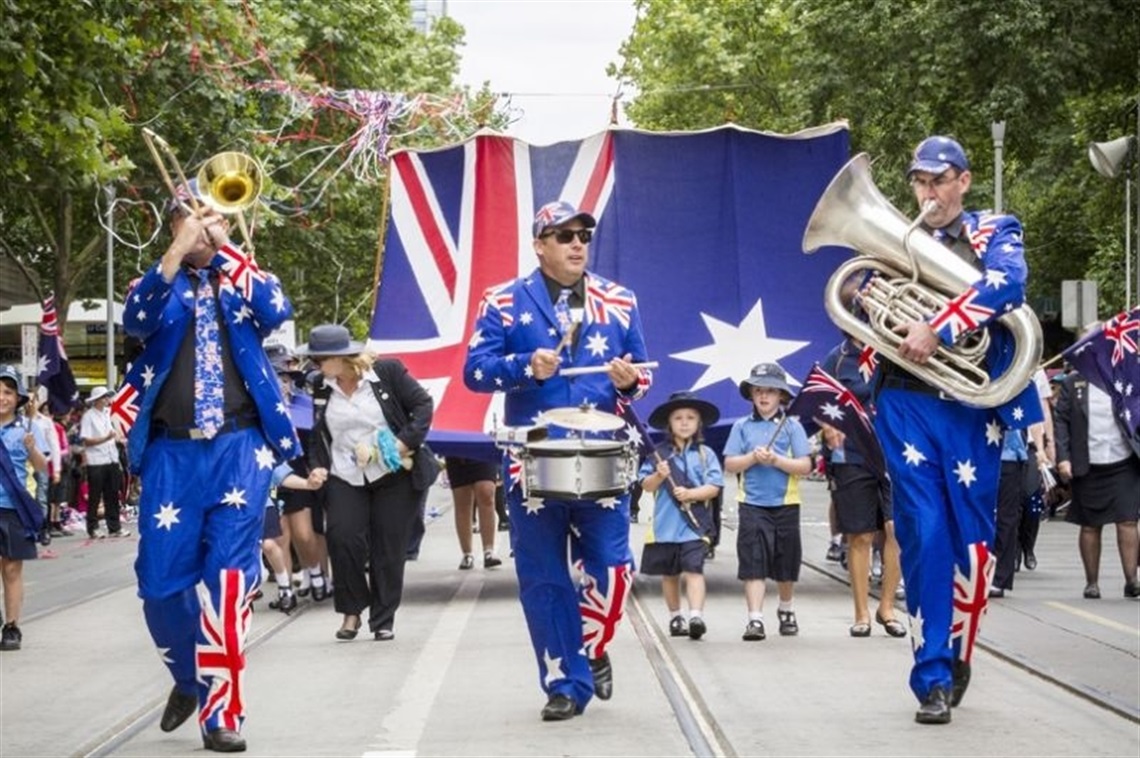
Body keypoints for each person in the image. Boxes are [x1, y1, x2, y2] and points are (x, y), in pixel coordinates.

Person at [120, 180, 299, 753]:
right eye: (191, 215)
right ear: (173, 222)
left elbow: (278, 309)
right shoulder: (155, 284)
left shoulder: (243, 281)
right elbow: (136, 322)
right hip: (172, 455)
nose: (202, 223)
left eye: (211, 213)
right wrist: (176, 252)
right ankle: (188, 680)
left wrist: (226, 246)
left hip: (239, 449)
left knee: (227, 586)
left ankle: (223, 713)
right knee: (159, 587)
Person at [870, 135, 1041, 724]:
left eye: (939, 181)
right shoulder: (902, 238)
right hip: (905, 401)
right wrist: (870, 299)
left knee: (972, 544)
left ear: (964, 181)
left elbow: (1008, 285)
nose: (927, 193)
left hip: (971, 405)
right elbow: (856, 291)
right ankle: (932, 673)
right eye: (919, 182)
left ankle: (959, 648)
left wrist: (938, 328)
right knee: (924, 533)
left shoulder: (994, 229)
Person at [464, 200, 653, 722]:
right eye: (564, 235)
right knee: (544, 576)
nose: (576, 244)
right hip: (532, 457)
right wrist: (526, 366)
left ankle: (590, 646)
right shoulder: (502, 300)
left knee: (613, 572)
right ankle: (563, 682)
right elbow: (475, 373)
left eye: (583, 235)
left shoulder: (619, 300)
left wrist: (630, 381)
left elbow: (643, 375)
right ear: (539, 245)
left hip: (602, 454)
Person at [301, 324, 438, 643]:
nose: (315, 366)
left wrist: (403, 444)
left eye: (319, 359)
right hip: (345, 474)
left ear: (342, 357)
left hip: (393, 472)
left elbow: (423, 406)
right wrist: (318, 467)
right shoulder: (321, 387)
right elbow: (318, 434)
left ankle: (383, 618)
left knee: (387, 548)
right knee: (342, 536)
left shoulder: (386, 373)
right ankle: (351, 610)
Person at [818, 332, 905, 638]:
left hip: (894, 451)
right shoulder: (838, 357)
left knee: (896, 530)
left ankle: (887, 607)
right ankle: (861, 613)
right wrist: (828, 427)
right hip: (852, 453)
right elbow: (818, 398)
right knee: (861, 535)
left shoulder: (894, 350)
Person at [723, 363, 812, 642]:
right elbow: (730, 463)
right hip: (751, 503)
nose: (764, 397)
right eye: (759, 391)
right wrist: (752, 458)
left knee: (787, 561)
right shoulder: (741, 426)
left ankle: (786, 608)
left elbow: (805, 465)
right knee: (753, 560)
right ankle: (755, 619)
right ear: (751, 395)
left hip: (786, 503)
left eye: (770, 392)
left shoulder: (792, 426)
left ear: (781, 396)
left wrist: (777, 460)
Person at [1053, 354, 1140, 600]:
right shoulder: (1073, 383)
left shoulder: (1126, 380)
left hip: (1123, 461)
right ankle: (1092, 582)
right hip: (1089, 463)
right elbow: (1061, 421)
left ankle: (1132, 580)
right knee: (1090, 524)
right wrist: (1063, 457)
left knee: (1128, 521)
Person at [638, 391, 723, 641]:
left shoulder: (706, 454)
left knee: (694, 569)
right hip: (665, 526)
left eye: (690, 417)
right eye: (678, 418)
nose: (684, 422)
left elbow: (714, 486)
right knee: (670, 574)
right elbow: (646, 485)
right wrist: (659, 475)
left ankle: (696, 615)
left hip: (694, 526)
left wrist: (691, 493)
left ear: (699, 423)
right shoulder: (658, 455)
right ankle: (676, 615)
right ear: (669, 423)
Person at [265, 344, 329, 602]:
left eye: (287, 377)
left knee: (304, 533)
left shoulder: (303, 405)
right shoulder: (258, 408)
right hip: (268, 475)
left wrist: (314, 469)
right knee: (279, 537)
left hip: (300, 474)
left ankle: (316, 575)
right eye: (278, 376)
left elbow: (315, 440)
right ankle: (286, 589)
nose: (284, 382)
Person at [0, 365, 48, 651]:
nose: (2, 397)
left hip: (13, 508)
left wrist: (31, 448)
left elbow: (42, 466)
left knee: (12, 569)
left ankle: (12, 626)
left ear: (18, 397)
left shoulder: (27, 430)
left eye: (8, 392)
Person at [79, 386, 128, 539]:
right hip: (96, 461)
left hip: (111, 458)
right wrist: (105, 439)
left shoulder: (107, 414)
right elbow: (86, 440)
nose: (107, 400)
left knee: (112, 494)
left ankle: (114, 527)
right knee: (95, 495)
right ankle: (92, 527)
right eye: (104, 397)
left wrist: (119, 440)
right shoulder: (88, 416)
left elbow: (113, 434)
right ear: (96, 400)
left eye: (108, 397)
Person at [445, 456, 503, 570]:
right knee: (462, 500)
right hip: (457, 449)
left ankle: (488, 551)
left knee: (486, 492)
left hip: (482, 448)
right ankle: (467, 554)